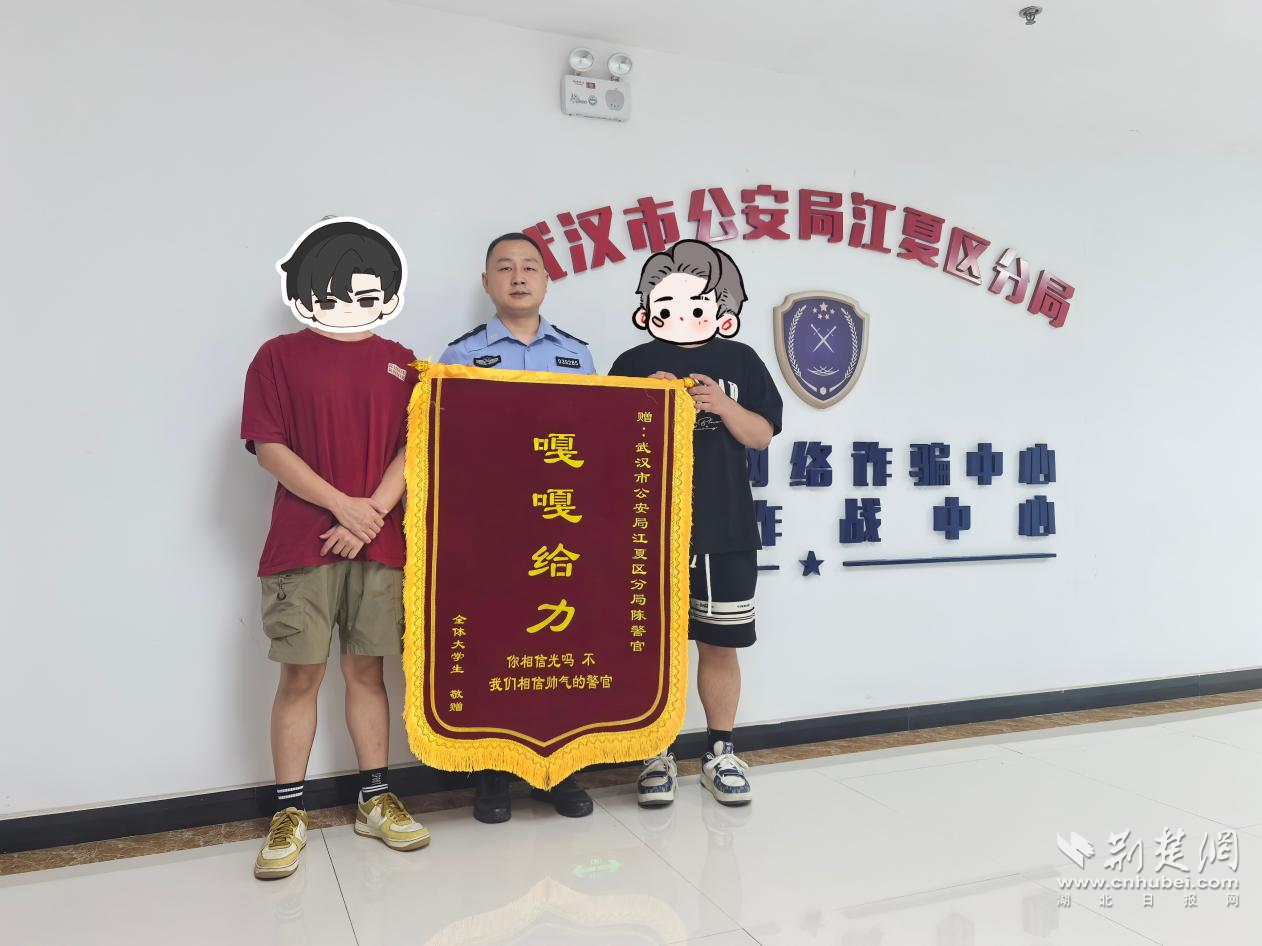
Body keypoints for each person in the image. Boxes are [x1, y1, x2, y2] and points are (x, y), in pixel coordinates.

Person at [243, 218, 429, 880]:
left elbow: (414, 446)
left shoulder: (404, 360)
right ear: (306, 294)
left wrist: (370, 511)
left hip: (379, 543)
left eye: (367, 292)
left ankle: (374, 799)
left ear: (388, 296)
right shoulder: (276, 357)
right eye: (333, 292)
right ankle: (288, 811)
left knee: (368, 671)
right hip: (303, 543)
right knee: (300, 675)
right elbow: (269, 447)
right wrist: (342, 505)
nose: (350, 303)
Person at [609, 239, 783, 808]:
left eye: (696, 302)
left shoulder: (742, 360)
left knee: (721, 644)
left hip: (725, 526)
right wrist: (646, 402)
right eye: (665, 304)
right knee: (652, 649)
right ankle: (655, 754)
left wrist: (722, 404)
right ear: (647, 310)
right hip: (646, 533)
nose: (679, 313)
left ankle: (720, 752)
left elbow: (762, 435)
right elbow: (605, 447)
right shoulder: (632, 364)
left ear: (721, 308)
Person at [438, 231, 596, 823]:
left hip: (561, 525)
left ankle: (562, 770)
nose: (519, 277)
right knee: (496, 642)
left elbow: (598, 440)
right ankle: (493, 775)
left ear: (547, 280)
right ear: (487, 283)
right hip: (494, 526)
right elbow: (442, 443)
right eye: (505, 268)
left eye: (530, 267)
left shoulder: (578, 355)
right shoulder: (459, 356)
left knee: (562, 640)